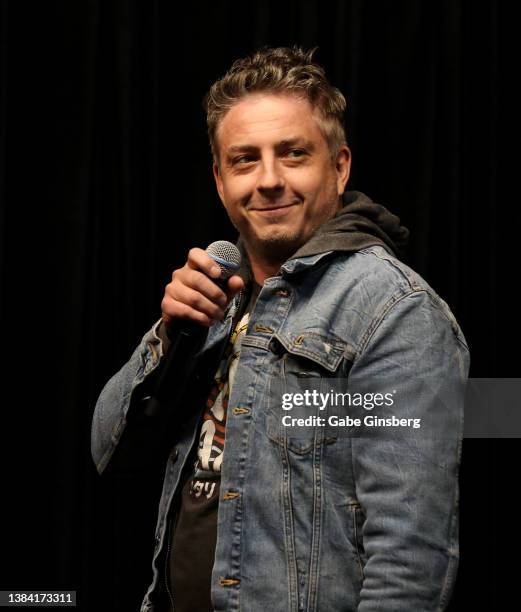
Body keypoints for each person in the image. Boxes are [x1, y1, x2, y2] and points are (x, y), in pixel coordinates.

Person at [92, 46, 470, 612]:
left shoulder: (395, 311)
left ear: (339, 167)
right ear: (220, 181)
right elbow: (107, 451)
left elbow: (411, 555)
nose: (268, 180)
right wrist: (170, 339)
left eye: (292, 154)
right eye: (245, 160)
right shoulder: (216, 291)